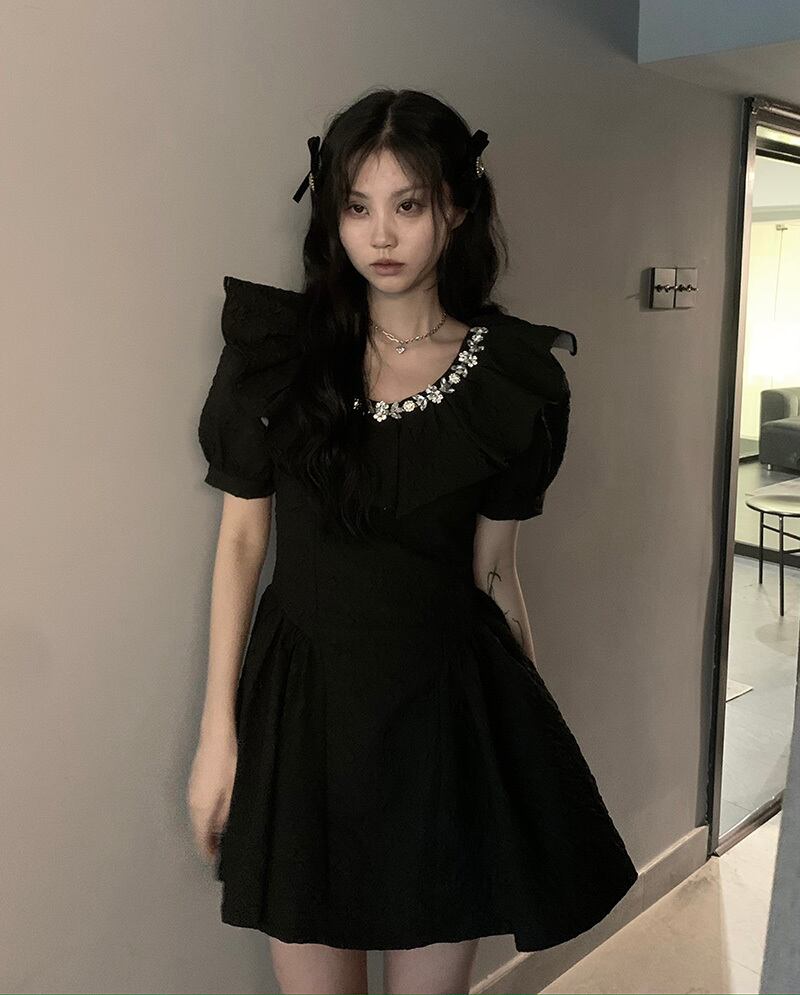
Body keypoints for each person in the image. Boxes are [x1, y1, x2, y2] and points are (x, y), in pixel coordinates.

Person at [187, 87, 638, 995]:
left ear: (457, 209)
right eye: (357, 208)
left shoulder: (508, 377)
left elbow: (495, 573)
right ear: (332, 216)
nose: (382, 235)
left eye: (409, 205)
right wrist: (216, 733)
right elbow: (241, 543)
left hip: (443, 720)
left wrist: (526, 742)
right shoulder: (279, 356)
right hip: (305, 717)